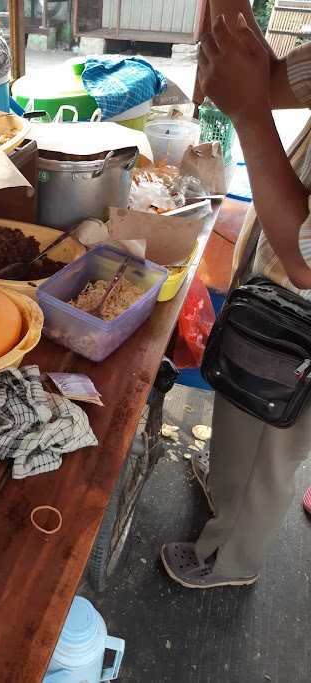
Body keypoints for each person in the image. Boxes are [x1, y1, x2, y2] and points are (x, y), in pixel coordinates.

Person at [161, 0, 311, 588]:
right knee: (242, 392)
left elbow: (304, 259)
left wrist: (248, 113)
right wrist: (230, 23)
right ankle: (226, 491)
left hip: (301, 299)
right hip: (274, 274)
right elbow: (267, 82)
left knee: (276, 437)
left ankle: (231, 561)